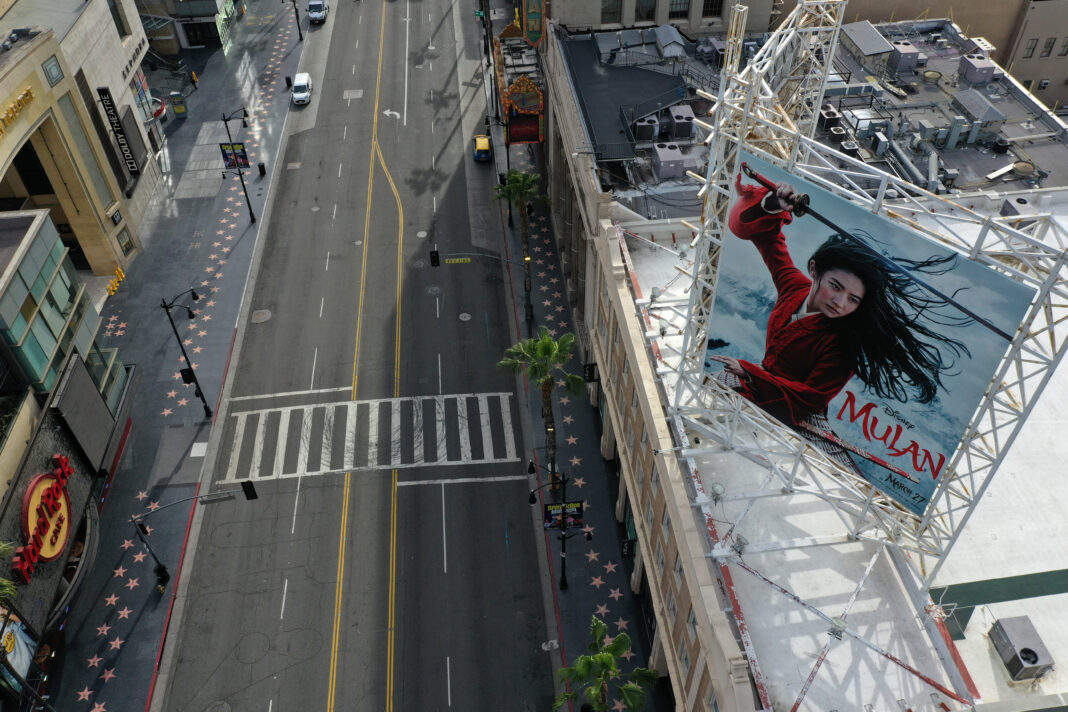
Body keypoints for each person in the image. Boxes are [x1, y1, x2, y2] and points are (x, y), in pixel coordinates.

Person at [709, 171, 969, 430]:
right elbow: (755, 233)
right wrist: (773, 204)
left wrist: (751, 372)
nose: (840, 303)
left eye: (853, 299)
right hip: (758, 385)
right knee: (714, 387)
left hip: (801, 417)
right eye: (836, 286)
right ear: (814, 270)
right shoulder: (794, 286)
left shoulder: (844, 344)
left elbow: (811, 398)